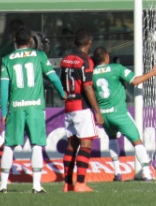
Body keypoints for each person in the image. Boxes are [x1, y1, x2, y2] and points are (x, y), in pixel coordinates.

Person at [0, 26, 66, 193]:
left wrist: (3, 112)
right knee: (36, 144)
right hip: (35, 107)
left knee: (9, 145)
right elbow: (53, 77)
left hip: (16, 107)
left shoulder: (7, 59)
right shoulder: (40, 56)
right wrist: (62, 93)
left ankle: (3, 185)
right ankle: (36, 185)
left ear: (15, 41)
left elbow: (4, 87)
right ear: (30, 41)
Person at [92, 46, 156, 182]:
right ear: (107, 57)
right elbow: (135, 81)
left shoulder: (92, 73)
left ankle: (117, 173)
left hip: (104, 115)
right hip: (119, 113)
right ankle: (146, 173)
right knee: (137, 141)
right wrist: (153, 72)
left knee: (112, 138)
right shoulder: (116, 68)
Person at [59, 29, 104, 193]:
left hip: (68, 106)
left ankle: (67, 184)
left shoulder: (65, 59)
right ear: (89, 42)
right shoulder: (86, 61)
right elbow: (87, 87)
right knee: (86, 144)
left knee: (71, 145)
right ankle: (80, 184)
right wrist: (97, 111)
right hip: (81, 107)